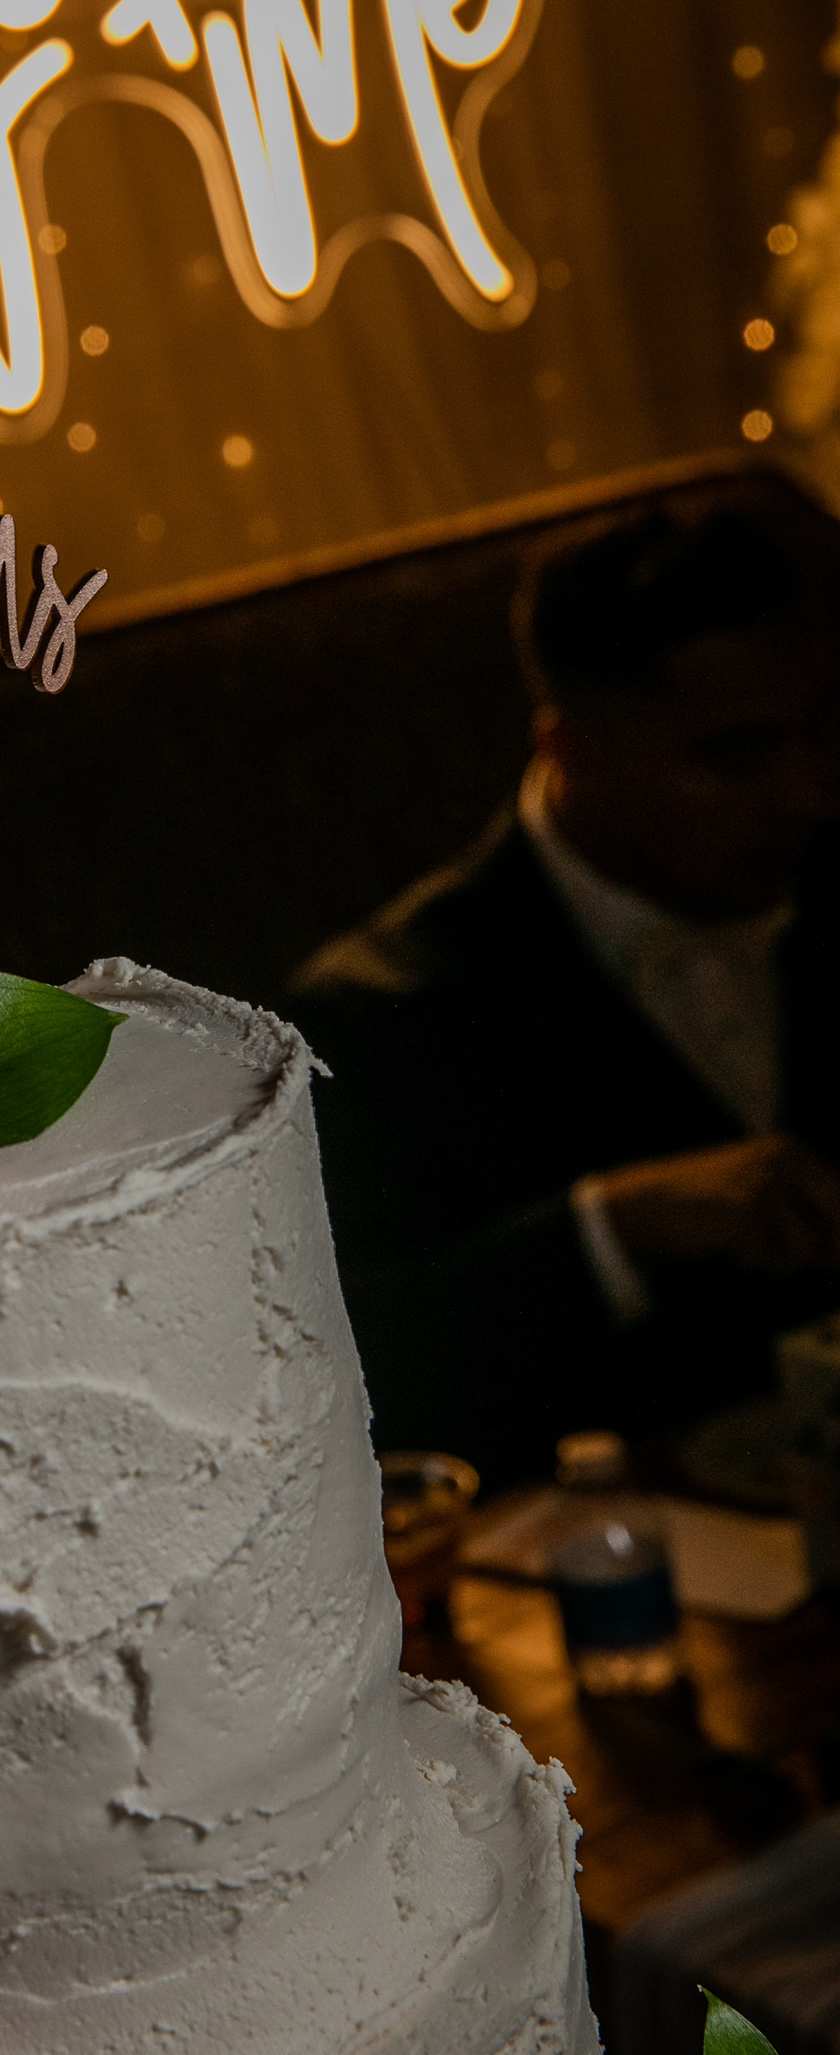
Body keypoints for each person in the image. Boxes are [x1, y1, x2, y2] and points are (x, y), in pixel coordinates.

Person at [289, 498, 840, 1490]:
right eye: (737, 758)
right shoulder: (378, 1016)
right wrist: (609, 1230)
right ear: (571, 752)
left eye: (823, 731)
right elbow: (354, 1373)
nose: (808, 794)